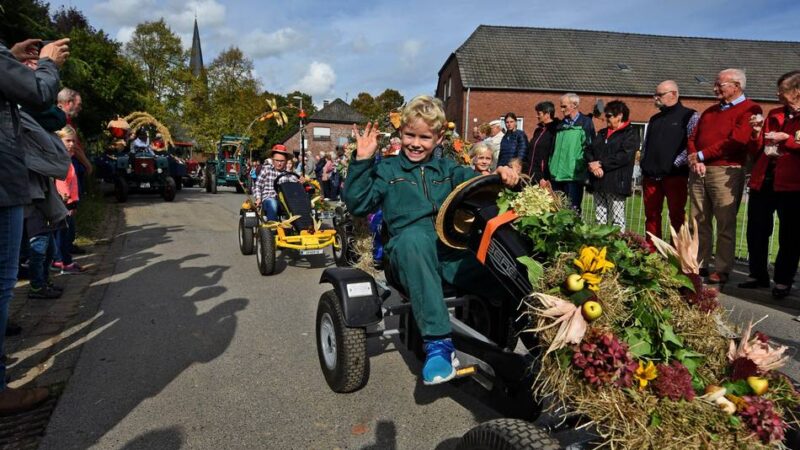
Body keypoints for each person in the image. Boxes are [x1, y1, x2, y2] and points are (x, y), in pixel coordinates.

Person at [343, 95, 519, 385]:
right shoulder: (388, 170)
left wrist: (501, 174)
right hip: (405, 252)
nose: (415, 143)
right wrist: (362, 161)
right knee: (415, 239)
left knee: (497, 254)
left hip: (447, 251)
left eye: (424, 137)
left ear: (437, 139)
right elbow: (358, 204)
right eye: (410, 135)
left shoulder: (448, 170)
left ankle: (529, 322)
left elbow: (474, 183)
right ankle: (438, 346)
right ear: (401, 133)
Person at [1, 36, 69, 413]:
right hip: (4, 181)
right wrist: (48, 63)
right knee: (1, 282)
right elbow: (41, 97)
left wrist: (8, 58)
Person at [688, 68, 762, 284]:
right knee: (698, 219)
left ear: (736, 86)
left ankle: (722, 268)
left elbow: (737, 141)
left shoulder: (750, 109)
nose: (715, 88)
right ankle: (699, 263)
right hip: (699, 170)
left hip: (726, 171)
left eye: (719, 84)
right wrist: (696, 158)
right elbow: (693, 136)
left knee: (725, 222)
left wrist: (702, 155)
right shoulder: (710, 111)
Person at [741, 71, 800, 298]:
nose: (778, 94)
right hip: (764, 178)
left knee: (790, 235)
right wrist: (756, 133)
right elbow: (757, 151)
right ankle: (757, 274)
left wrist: (788, 141)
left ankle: (783, 280)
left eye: (783, 90)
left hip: (792, 185)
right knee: (757, 228)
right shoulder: (774, 113)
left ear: (797, 91)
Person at [640, 81, 699, 246]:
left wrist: (675, 164)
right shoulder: (654, 118)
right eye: (655, 94)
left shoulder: (690, 116)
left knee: (677, 215)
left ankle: (677, 251)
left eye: (659, 95)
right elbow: (646, 144)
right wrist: (644, 164)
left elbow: (692, 143)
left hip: (675, 175)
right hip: (651, 175)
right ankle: (652, 249)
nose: (655, 98)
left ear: (673, 94)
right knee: (651, 215)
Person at [585, 101, 640, 229]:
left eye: (609, 115)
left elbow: (624, 156)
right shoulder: (602, 133)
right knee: (600, 218)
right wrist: (593, 165)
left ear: (619, 116)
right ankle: (600, 245)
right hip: (598, 181)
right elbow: (589, 150)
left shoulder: (630, 134)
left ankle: (616, 246)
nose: (606, 119)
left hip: (616, 183)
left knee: (617, 219)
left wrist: (600, 164)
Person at [549, 93, 595, 213]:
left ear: (574, 105)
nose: (562, 109)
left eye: (564, 106)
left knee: (572, 211)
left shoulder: (585, 123)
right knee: (555, 210)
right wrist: (551, 165)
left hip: (573, 175)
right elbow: (553, 148)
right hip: (557, 175)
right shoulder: (560, 125)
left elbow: (589, 147)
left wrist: (580, 166)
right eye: (561, 106)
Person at [52, 125, 85, 274]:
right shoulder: (61, 160)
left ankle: (65, 260)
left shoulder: (68, 159)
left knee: (66, 234)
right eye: (68, 141)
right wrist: (69, 203)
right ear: (59, 141)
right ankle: (61, 262)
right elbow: (61, 183)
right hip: (64, 204)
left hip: (70, 203)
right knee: (62, 235)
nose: (72, 144)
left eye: (74, 141)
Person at [254, 145, 301, 221]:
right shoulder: (266, 169)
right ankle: (273, 228)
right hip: (269, 198)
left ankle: (298, 227)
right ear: (272, 160)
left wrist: (301, 182)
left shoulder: (289, 174)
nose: (279, 163)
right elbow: (257, 185)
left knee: (298, 205)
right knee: (273, 203)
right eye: (277, 160)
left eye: (282, 161)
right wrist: (258, 198)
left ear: (286, 161)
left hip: (285, 201)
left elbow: (296, 185)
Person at [524, 101, 560, 184]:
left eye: (539, 113)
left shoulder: (555, 131)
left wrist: (546, 176)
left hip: (543, 176)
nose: (537, 116)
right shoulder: (538, 131)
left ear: (547, 114)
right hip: (531, 173)